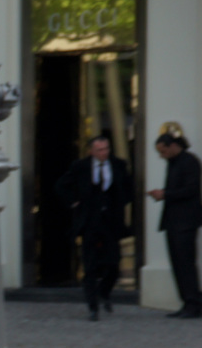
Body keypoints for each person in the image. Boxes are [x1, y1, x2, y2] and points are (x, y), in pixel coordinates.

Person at [56, 135, 132, 321]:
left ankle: (104, 291)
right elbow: (61, 186)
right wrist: (74, 203)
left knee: (113, 263)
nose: (104, 153)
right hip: (90, 221)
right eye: (100, 150)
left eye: (106, 149)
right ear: (91, 151)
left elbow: (128, 187)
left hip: (110, 221)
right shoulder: (80, 166)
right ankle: (93, 307)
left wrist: (119, 204)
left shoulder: (118, 165)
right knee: (89, 265)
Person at [147, 126, 202, 318]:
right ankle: (187, 301)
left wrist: (165, 194)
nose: (162, 156)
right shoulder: (174, 162)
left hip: (186, 221)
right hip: (174, 221)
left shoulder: (189, 161)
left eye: (163, 151)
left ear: (172, 146)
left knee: (185, 263)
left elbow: (190, 190)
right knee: (178, 263)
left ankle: (193, 303)